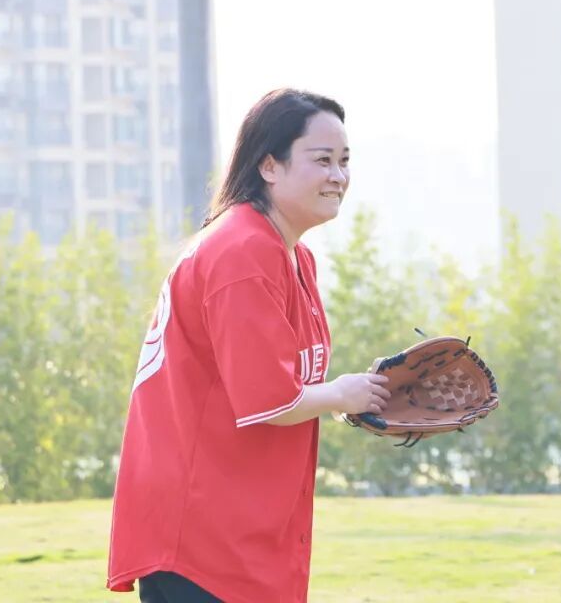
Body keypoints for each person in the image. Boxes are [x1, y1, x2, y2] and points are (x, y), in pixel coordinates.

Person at [107, 89, 390, 602]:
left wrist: (354, 396)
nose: (338, 176)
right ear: (269, 165)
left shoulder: (290, 255)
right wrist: (342, 394)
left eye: (345, 161)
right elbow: (269, 401)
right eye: (322, 159)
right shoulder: (243, 251)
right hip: (200, 537)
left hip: (235, 527)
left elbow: (279, 385)